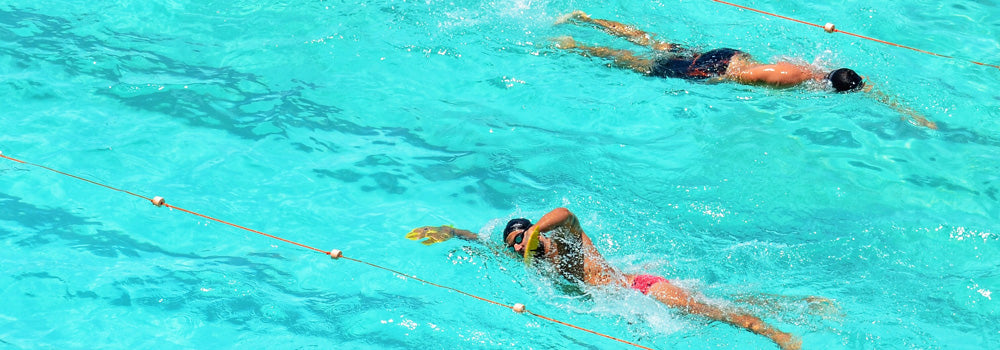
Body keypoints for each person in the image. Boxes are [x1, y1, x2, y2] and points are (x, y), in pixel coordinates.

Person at [406, 207, 803, 350]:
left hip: (641, 289)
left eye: (521, 238)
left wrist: (534, 234)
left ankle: (777, 336)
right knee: (709, 305)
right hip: (622, 304)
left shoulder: (560, 238)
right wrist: (449, 232)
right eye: (513, 244)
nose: (517, 248)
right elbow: (485, 244)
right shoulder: (527, 258)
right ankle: (789, 305)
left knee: (708, 311)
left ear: (534, 232)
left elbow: (564, 212)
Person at [551, 10, 937, 129]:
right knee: (639, 64)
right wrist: (909, 113)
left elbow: (858, 84)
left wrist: (908, 111)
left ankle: (586, 19)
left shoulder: (814, 70)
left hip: (728, 55)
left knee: (654, 43)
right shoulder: (800, 84)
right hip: (713, 72)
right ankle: (577, 45)